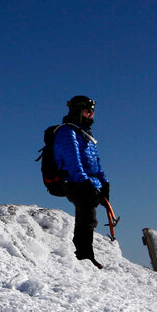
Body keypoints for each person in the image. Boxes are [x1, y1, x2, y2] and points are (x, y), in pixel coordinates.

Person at [53, 95, 109, 268]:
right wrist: (84, 183)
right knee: (87, 209)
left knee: (88, 210)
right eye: (86, 112)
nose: (90, 115)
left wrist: (104, 183)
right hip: (72, 180)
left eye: (92, 112)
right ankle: (83, 256)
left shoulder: (85, 134)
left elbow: (95, 163)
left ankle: (85, 255)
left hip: (88, 181)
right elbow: (72, 162)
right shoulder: (66, 132)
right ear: (77, 111)